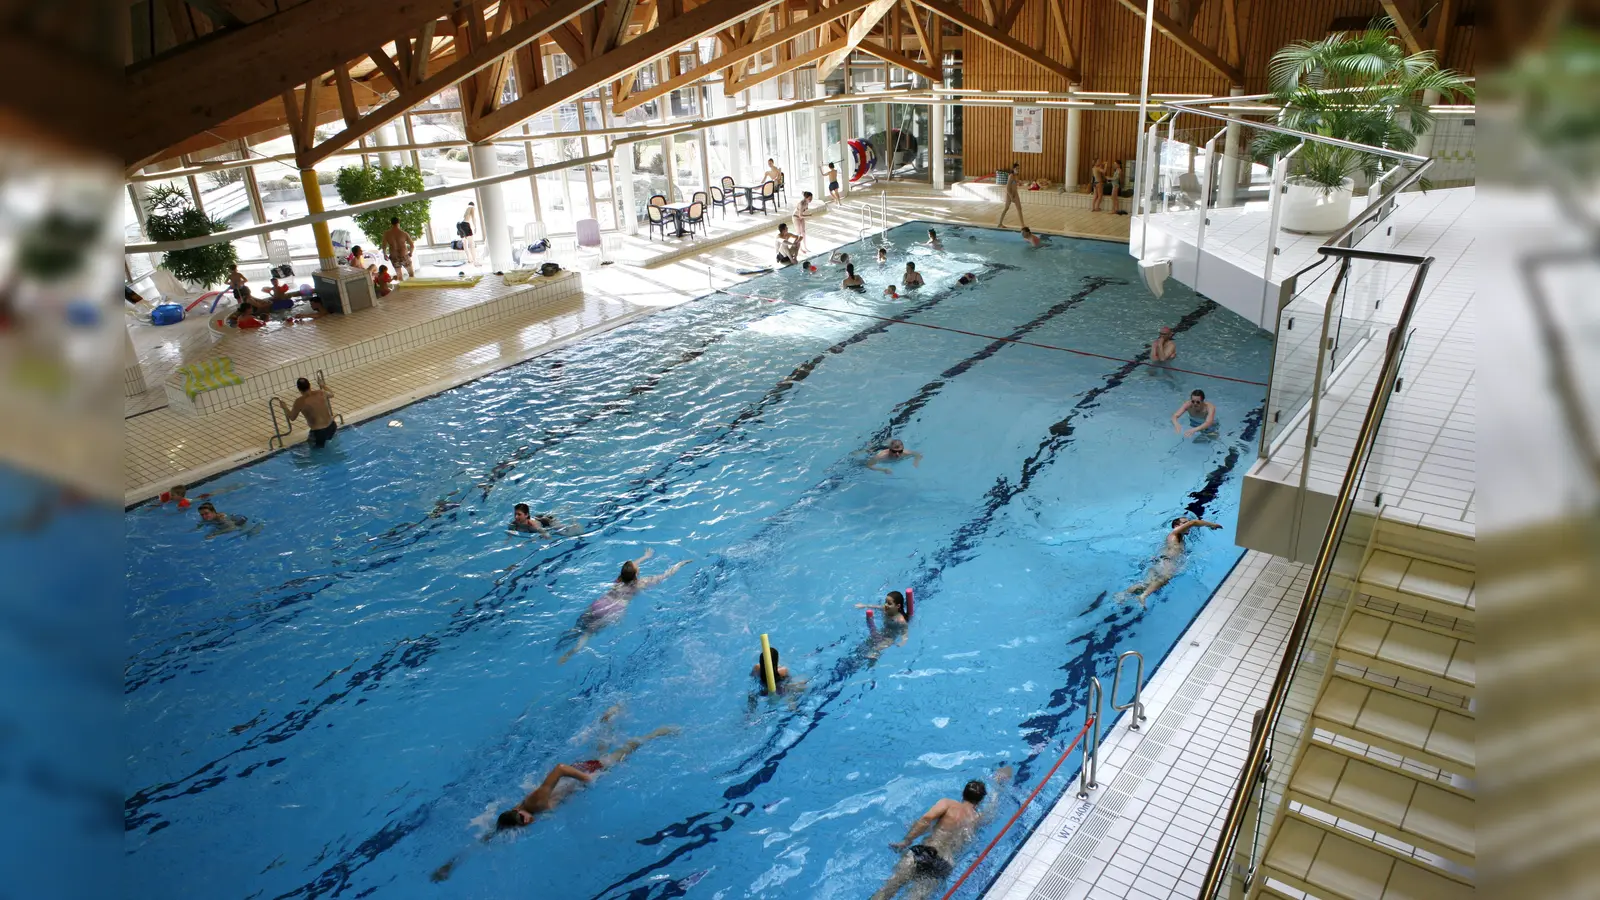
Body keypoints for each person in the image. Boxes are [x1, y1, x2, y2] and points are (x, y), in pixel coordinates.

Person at [492, 707, 677, 831]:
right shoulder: (518, 812)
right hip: (578, 774)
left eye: (523, 821)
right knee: (601, 754)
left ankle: (657, 732)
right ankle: (608, 719)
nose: (528, 824)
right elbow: (499, 827)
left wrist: (588, 779)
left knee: (620, 756)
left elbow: (560, 769)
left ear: (520, 815)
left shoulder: (536, 803)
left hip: (582, 773)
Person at [871, 767, 1013, 900]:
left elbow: (925, 820)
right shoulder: (977, 818)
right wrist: (996, 787)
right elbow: (992, 810)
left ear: (962, 794)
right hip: (943, 863)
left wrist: (906, 840)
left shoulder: (948, 804)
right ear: (980, 801)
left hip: (925, 851)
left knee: (887, 889)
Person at [559, 549, 691, 663]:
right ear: (636, 574)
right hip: (614, 609)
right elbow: (666, 575)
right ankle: (574, 650)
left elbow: (630, 567)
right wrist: (681, 563)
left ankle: (567, 638)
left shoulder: (619, 579)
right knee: (588, 633)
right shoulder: (641, 583)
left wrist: (645, 557)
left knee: (580, 627)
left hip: (600, 603)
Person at [1127, 516, 1222, 605]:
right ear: (1177, 526)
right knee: (1165, 578)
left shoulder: (1180, 538)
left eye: (1187, 522)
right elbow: (1194, 522)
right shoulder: (1175, 533)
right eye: (1185, 523)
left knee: (1145, 584)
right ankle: (1143, 596)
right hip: (1167, 561)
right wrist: (1212, 524)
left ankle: (1122, 595)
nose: (1188, 524)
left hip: (1161, 560)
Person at [279, 376, 337, 448]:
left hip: (318, 433)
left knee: (315, 451)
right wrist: (322, 385)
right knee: (331, 445)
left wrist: (284, 407)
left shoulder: (300, 402)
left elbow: (292, 417)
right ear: (310, 385)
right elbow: (332, 394)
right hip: (332, 426)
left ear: (299, 389)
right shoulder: (321, 392)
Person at [382, 216, 415, 280]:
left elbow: (384, 246)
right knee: (411, 274)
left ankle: (403, 290)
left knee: (399, 276)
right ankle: (412, 289)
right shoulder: (404, 233)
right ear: (399, 223)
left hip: (394, 257)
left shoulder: (386, 234)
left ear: (391, 224)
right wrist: (411, 253)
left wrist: (385, 254)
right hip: (404, 256)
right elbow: (412, 245)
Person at [997, 162, 1026, 229]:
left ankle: (1022, 225)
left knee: (1019, 208)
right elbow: (1007, 188)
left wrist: (1020, 183)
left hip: (1015, 193)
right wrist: (1010, 197)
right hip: (1009, 194)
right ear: (1013, 169)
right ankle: (1000, 223)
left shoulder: (1016, 176)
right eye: (1016, 168)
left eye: (1019, 168)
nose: (1018, 169)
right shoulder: (1011, 176)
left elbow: (1015, 183)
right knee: (1006, 208)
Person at [458, 201, 479, 266]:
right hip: (465, 224)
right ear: (473, 205)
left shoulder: (465, 208)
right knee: (471, 243)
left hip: (459, 225)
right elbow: (473, 218)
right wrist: (475, 227)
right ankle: (475, 262)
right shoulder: (472, 207)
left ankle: (469, 259)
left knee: (465, 243)